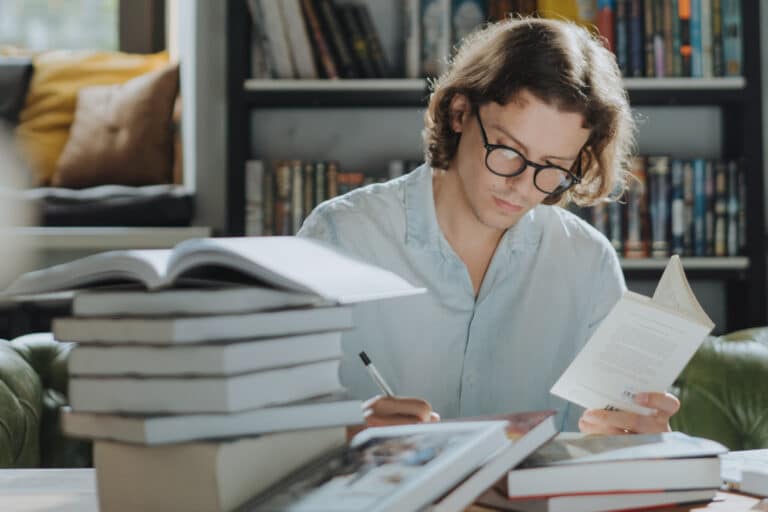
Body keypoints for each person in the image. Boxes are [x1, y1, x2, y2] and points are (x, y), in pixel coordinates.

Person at [298, 17, 679, 435]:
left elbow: (610, 446)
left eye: (552, 167)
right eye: (508, 150)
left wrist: (635, 436)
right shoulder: (339, 237)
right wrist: (342, 430)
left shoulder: (587, 263)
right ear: (460, 113)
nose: (520, 185)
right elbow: (269, 428)